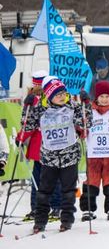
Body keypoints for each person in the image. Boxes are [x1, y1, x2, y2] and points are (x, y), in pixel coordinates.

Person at [21, 76, 85, 233]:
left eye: (63, 93)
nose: (62, 96)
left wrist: (86, 105)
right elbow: (26, 125)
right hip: (49, 157)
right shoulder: (41, 110)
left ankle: (67, 220)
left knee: (68, 190)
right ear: (49, 96)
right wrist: (27, 106)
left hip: (69, 155)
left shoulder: (72, 106)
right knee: (44, 191)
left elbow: (85, 122)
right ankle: (40, 221)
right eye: (58, 94)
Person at [17, 71, 62, 221]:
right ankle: (38, 208)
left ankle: (55, 207)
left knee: (51, 178)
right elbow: (27, 122)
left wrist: (21, 137)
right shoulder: (33, 100)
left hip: (51, 144)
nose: (37, 87)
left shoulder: (51, 98)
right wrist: (21, 137)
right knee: (40, 178)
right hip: (40, 146)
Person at [80, 80, 109, 221]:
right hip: (94, 153)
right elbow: (83, 127)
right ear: (96, 97)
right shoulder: (89, 111)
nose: (104, 99)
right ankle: (88, 209)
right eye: (101, 97)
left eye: (107, 97)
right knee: (91, 181)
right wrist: (80, 130)